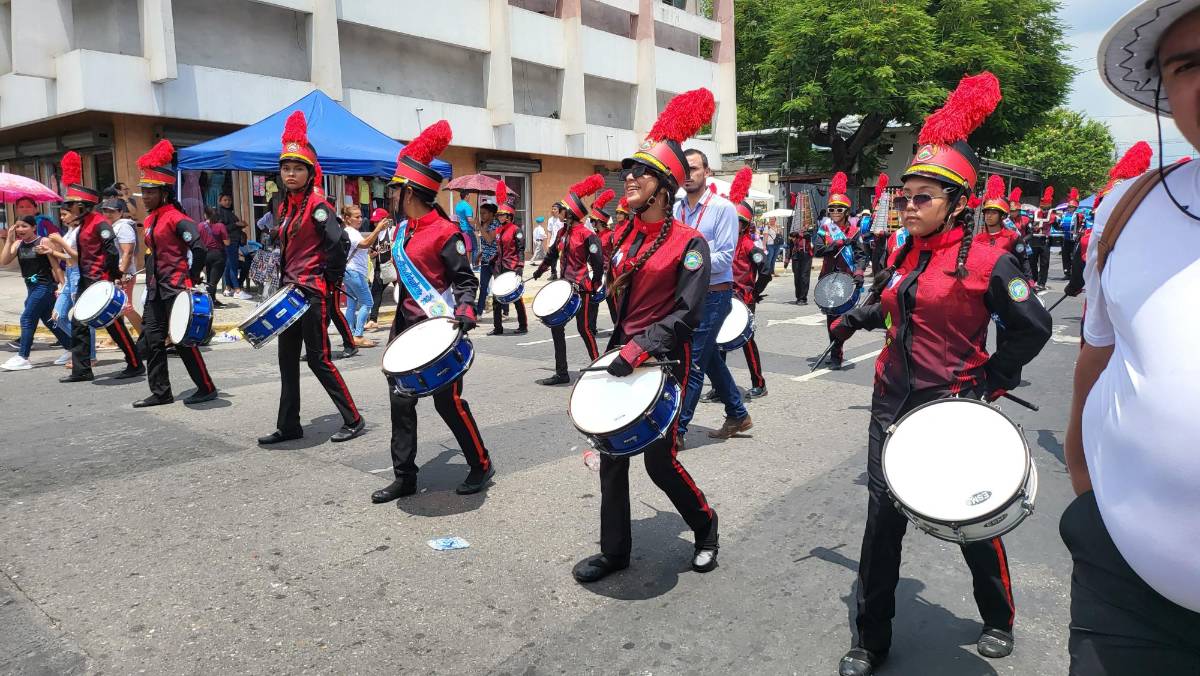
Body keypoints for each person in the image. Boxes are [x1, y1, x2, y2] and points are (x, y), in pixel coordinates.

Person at [827, 73, 1052, 676]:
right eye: (904, 197)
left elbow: (1033, 327)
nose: (908, 206)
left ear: (957, 203)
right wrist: (852, 319)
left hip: (953, 408)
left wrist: (993, 379)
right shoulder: (904, 251)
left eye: (922, 197)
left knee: (970, 518)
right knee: (882, 523)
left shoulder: (990, 262)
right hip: (890, 406)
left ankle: (998, 617)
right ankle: (871, 638)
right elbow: (892, 301)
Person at [1068, 5, 1200, 655]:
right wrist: (1085, 497)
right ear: (1165, 90)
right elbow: (1097, 355)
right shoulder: (1129, 207)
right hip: (1122, 589)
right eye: (1188, 65)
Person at [571, 87, 720, 585]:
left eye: (641, 172)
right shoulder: (622, 236)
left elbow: (687, 313)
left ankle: (705, 526)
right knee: (612, 460)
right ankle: (614, 553)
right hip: (623, 354)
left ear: (663, 188)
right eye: (628, 170)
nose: (629, 178)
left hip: (665, 362)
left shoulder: (690, 243)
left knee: (660, 462)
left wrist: (641, 348)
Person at [369, 119, 494, 502]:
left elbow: (465, 280)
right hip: (405, 331)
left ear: (408, 192)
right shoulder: (402, 231)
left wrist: (466, 310)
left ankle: (480, 463)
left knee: (448, 403)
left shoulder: (445, 232)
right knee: (400, 402)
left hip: (439, 331)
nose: (389, 196)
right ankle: (404, 476)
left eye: (393, 190)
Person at [257, 111, 365, 445]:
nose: (290, 173)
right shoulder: (284, 206)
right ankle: (289, 425)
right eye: (286, 168)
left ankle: (354, 418)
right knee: (287, 362)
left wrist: (329, 282)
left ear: (310, 172)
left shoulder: (319, 206)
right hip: (289, 293)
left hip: (312, 293)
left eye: (298, 168)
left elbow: (339, 244)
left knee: (319, 360)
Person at [131, 140, 218, 408]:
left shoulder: (177, 218)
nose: (145, 196)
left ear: (164, 193)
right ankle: (161, 392)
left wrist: (192, 276)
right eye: (144, 191)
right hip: (156, 289)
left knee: (182, 340)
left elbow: (199, 248)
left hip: (176, 287)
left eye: (151, 192)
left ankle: (206, 387)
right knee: (153, 341)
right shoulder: (150, 219)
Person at [672, 150, 751, 445]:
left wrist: (686, 261)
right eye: (684, 170)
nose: (688, 175)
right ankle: (738, 413)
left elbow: (724, 258)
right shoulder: (676, 208)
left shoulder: (722, 208)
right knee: (708, 357)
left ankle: (677, 431)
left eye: (694, 169)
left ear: (707, 172)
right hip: (685, 294)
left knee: (693, 362)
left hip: (714, 294)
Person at [58, 151, 144, 383]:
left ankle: (135, 364)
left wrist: (114, 276)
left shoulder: (99, 223)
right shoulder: (83, 224)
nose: (67, 210)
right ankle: (82, 370)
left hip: (100, 281)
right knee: (78, 323)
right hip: (86, 280)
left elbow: (112, 250)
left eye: (70, 206)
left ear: (82, 206)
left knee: (113, 324)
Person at [531, 174, 605, 385]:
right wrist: (540, 271)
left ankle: (598, 368)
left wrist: (595, 283)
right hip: (564, 287)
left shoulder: (587, 235)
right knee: (556, 328)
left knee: (585, 329)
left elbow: (598, 261)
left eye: (562, 209)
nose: (559, 211)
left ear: (570, 213)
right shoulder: (562, 232)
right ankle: (562, 373)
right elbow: (552, 254)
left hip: (581, 288)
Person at [717, 167, 769, 399]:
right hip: (722, 296)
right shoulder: (722, 241)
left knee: (746, 340)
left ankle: (759, 383)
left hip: (744, 298)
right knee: (719, 340)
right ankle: (720, 386)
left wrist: (755, 292)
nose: (733, 224)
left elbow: (765, 271)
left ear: (745, 224)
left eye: (738, 221)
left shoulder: (749, 245)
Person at [812, 172, 869, 370]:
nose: (835, 212)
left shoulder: (854, 232)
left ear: (846, 212)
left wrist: (859, 272)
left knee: (841, 319)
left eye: (839, 209)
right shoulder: (825, 230)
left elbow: (861, 255)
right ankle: (835, 349)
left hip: (846, 279)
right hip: (828, 278)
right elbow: (817, 250)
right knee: (830, 317)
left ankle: (837, 353)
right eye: (832, 209)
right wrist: (836, 244)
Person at [0, 216, 72, 371]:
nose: (20, 230)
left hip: (44, 286)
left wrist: (63, 286)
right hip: (31, 287)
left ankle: (23, 357)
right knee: (49, 320)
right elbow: (4, 261)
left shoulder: (43, 241)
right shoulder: (18, 244)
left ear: (33, 227)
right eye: (18, 226)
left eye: (24, 226)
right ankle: (71, 347)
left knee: (27, 318)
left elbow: (55, 265)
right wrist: (9, 240)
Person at [50, 208, 94, 369]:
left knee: (82, 317)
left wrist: (60, 242)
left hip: (78, 274)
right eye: (61, 215)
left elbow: (79, 256)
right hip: (69, 274)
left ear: (76, 214)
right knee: (58, 315)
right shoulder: (70, 231)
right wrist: (52, 251)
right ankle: (82, 348)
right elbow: (68, 256)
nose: (61, 218)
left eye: (64, 214)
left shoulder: (80, 232)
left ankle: (89, 355)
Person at [340, 204, 389, 350]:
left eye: (361, 216)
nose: (360, 219)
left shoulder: (350, 231)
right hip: (355, 272)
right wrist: (378, 229)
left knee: (352, 304)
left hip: (349, 271)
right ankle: (358, 335)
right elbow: (365, 243)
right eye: (357, 217)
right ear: (347, 219)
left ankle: (350, 335)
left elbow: (362, 247)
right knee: (368, 302)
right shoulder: (351, 233)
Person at [486, 181, 529, 336]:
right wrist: (492, 258)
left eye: (501, 214)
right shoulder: (498, 230)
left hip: (512, 267)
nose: (499, 216)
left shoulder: (516, 230)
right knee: (497, 298)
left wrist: (520, 266)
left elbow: (521, 250)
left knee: (516, 298)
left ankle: (523, 325)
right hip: (499, 268)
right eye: (498, 214)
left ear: (509, 216)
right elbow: (499, 249)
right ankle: (498, 327)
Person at [98, 198, 143, 338]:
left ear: (120, 212)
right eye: (105, 211)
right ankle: (117, 338)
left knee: (126, 307)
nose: (108, 214)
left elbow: (128, 252)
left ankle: (147, 337)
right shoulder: (113, 226)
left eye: (112, 211)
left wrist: (121, 273)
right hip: (115, 273)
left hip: (124, 274)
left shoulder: (123, 227)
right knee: (117, 307)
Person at [365, 208, 395, 330]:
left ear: (385, 220)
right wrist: (372, 255)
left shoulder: (393, 231)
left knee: (402, 292)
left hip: (393, 267)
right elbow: (370, 251)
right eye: (375, 222)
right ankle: (373, 320)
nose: (376, 224)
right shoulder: (374, 234)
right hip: (380, 268)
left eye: (378, 221)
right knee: (376, 292)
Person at [196, 207, 229, 306]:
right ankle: (208, 302)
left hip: (205, 254)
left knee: (209, 278)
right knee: (213, 281)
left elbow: (197, 240)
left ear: (205, 215)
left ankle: (213, 299)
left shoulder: (200, 225)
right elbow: (227, 243)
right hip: (218, 255)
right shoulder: (220, 226)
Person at [475, 201, 500, 317]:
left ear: (491, 214)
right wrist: (480, 254)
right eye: (480, 213)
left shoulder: (496, 224)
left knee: (498, 286)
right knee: (483, 286)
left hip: (495, 260)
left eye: (484, 213)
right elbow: (486, 244)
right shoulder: (483, 224)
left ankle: (503, 311)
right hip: (485, 260)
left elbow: (490, 240)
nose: (482, 216)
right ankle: (479, 312)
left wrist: (479, 227)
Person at [1024, 187, 1052, 290]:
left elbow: (1057, 226)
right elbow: (1029, 225)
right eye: (1044, 208)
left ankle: (1042, 283)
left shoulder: (1052, 215)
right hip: (1034, 240)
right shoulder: (1034, 213)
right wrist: (1033, 227)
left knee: (1044, 263)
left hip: (1045, 241)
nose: (1045, 210)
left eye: (1047, 208)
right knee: (1032, 262)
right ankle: (1033, 280)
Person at [453, 190, 476, 267]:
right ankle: (474, 266)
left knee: (464, 248)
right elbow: (469, 219)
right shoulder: (467, 206)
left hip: (461, 229)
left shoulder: (458, 205)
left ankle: (465, 265)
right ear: (466, 196)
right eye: (469, 196)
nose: (469, 197)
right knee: (474, 248)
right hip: (468, 229)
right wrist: (475, 226)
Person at [546, 205, 564, 279]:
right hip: (553, 242)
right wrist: (548, 243)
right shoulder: (550, 220)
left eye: (555, 209)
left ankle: (563, 275)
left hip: (561, 242)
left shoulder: (562, 219)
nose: (553, 210)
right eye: (552, 209)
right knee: (553, 259)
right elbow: (549, 232)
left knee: (563, 259)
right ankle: (553, 274)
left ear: (559, 210)